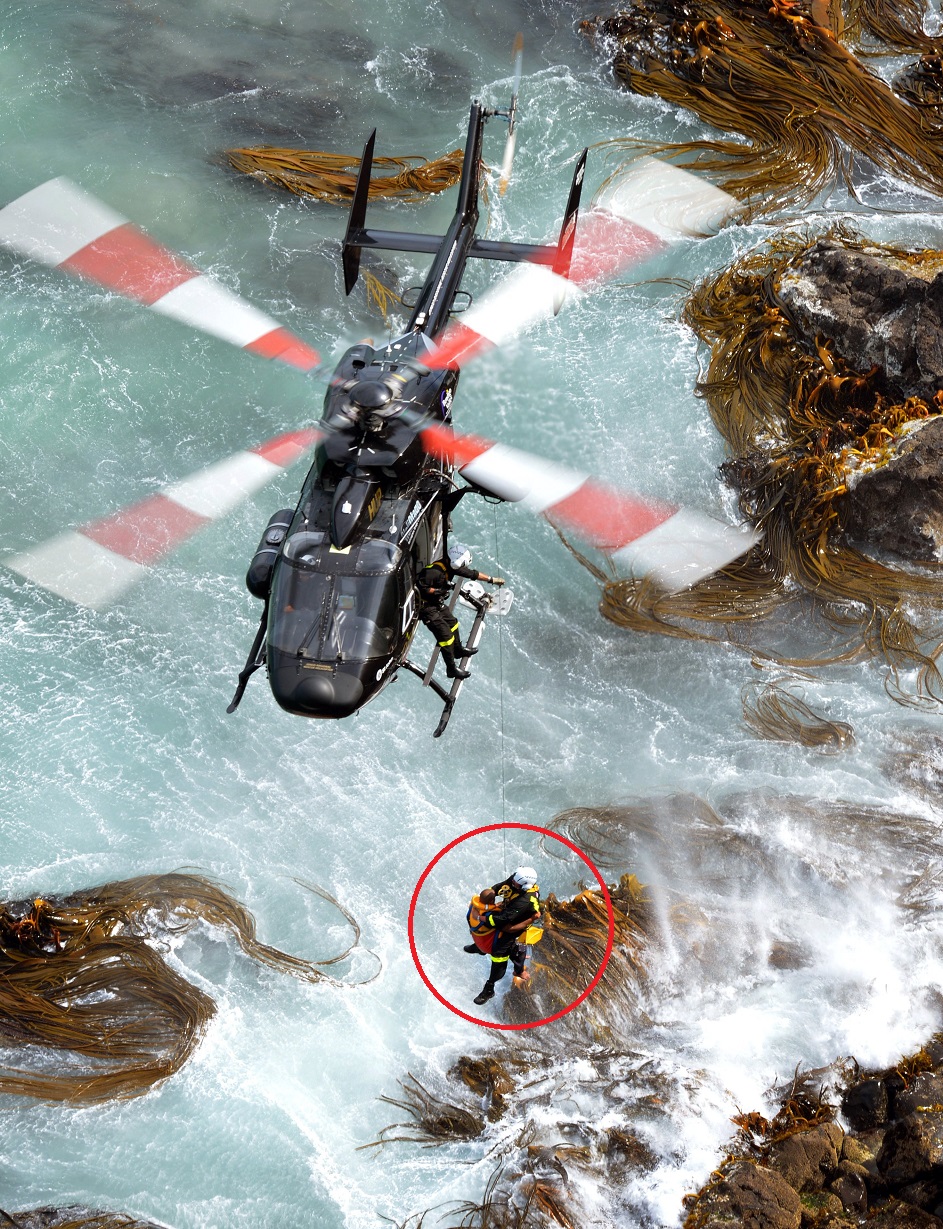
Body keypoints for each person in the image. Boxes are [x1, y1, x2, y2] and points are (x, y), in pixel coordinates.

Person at [417, 558, 504, 679]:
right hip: (426, 608)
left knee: (453, 623)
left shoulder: (451, 566)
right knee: (446, 637)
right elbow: (421, 587)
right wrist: (439, 591)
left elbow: (473, 574)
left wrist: (492, 579)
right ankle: (451, 669)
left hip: (435, 603)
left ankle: (458, 650)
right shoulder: (433, 572)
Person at [472, 866, 541, 1006]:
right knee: (491, 931)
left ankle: (489, 988)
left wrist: (480, 918)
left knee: (499, 953)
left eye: (515, 882)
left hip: (517, 921)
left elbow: (501, 920)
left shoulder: (525, 900)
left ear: (524, 885)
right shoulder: (517, 880)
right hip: (509, 911)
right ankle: (481, 947)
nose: (512, 882)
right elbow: (502, 886)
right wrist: (490, 895)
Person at [464, 887, 501, 955]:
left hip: (477, 937)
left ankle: (477, 948)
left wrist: (495, 906)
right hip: (489, 946)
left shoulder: (473, 905)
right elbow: (502, 920)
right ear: (492, 901)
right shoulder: (491, 914)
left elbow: (483, 908)